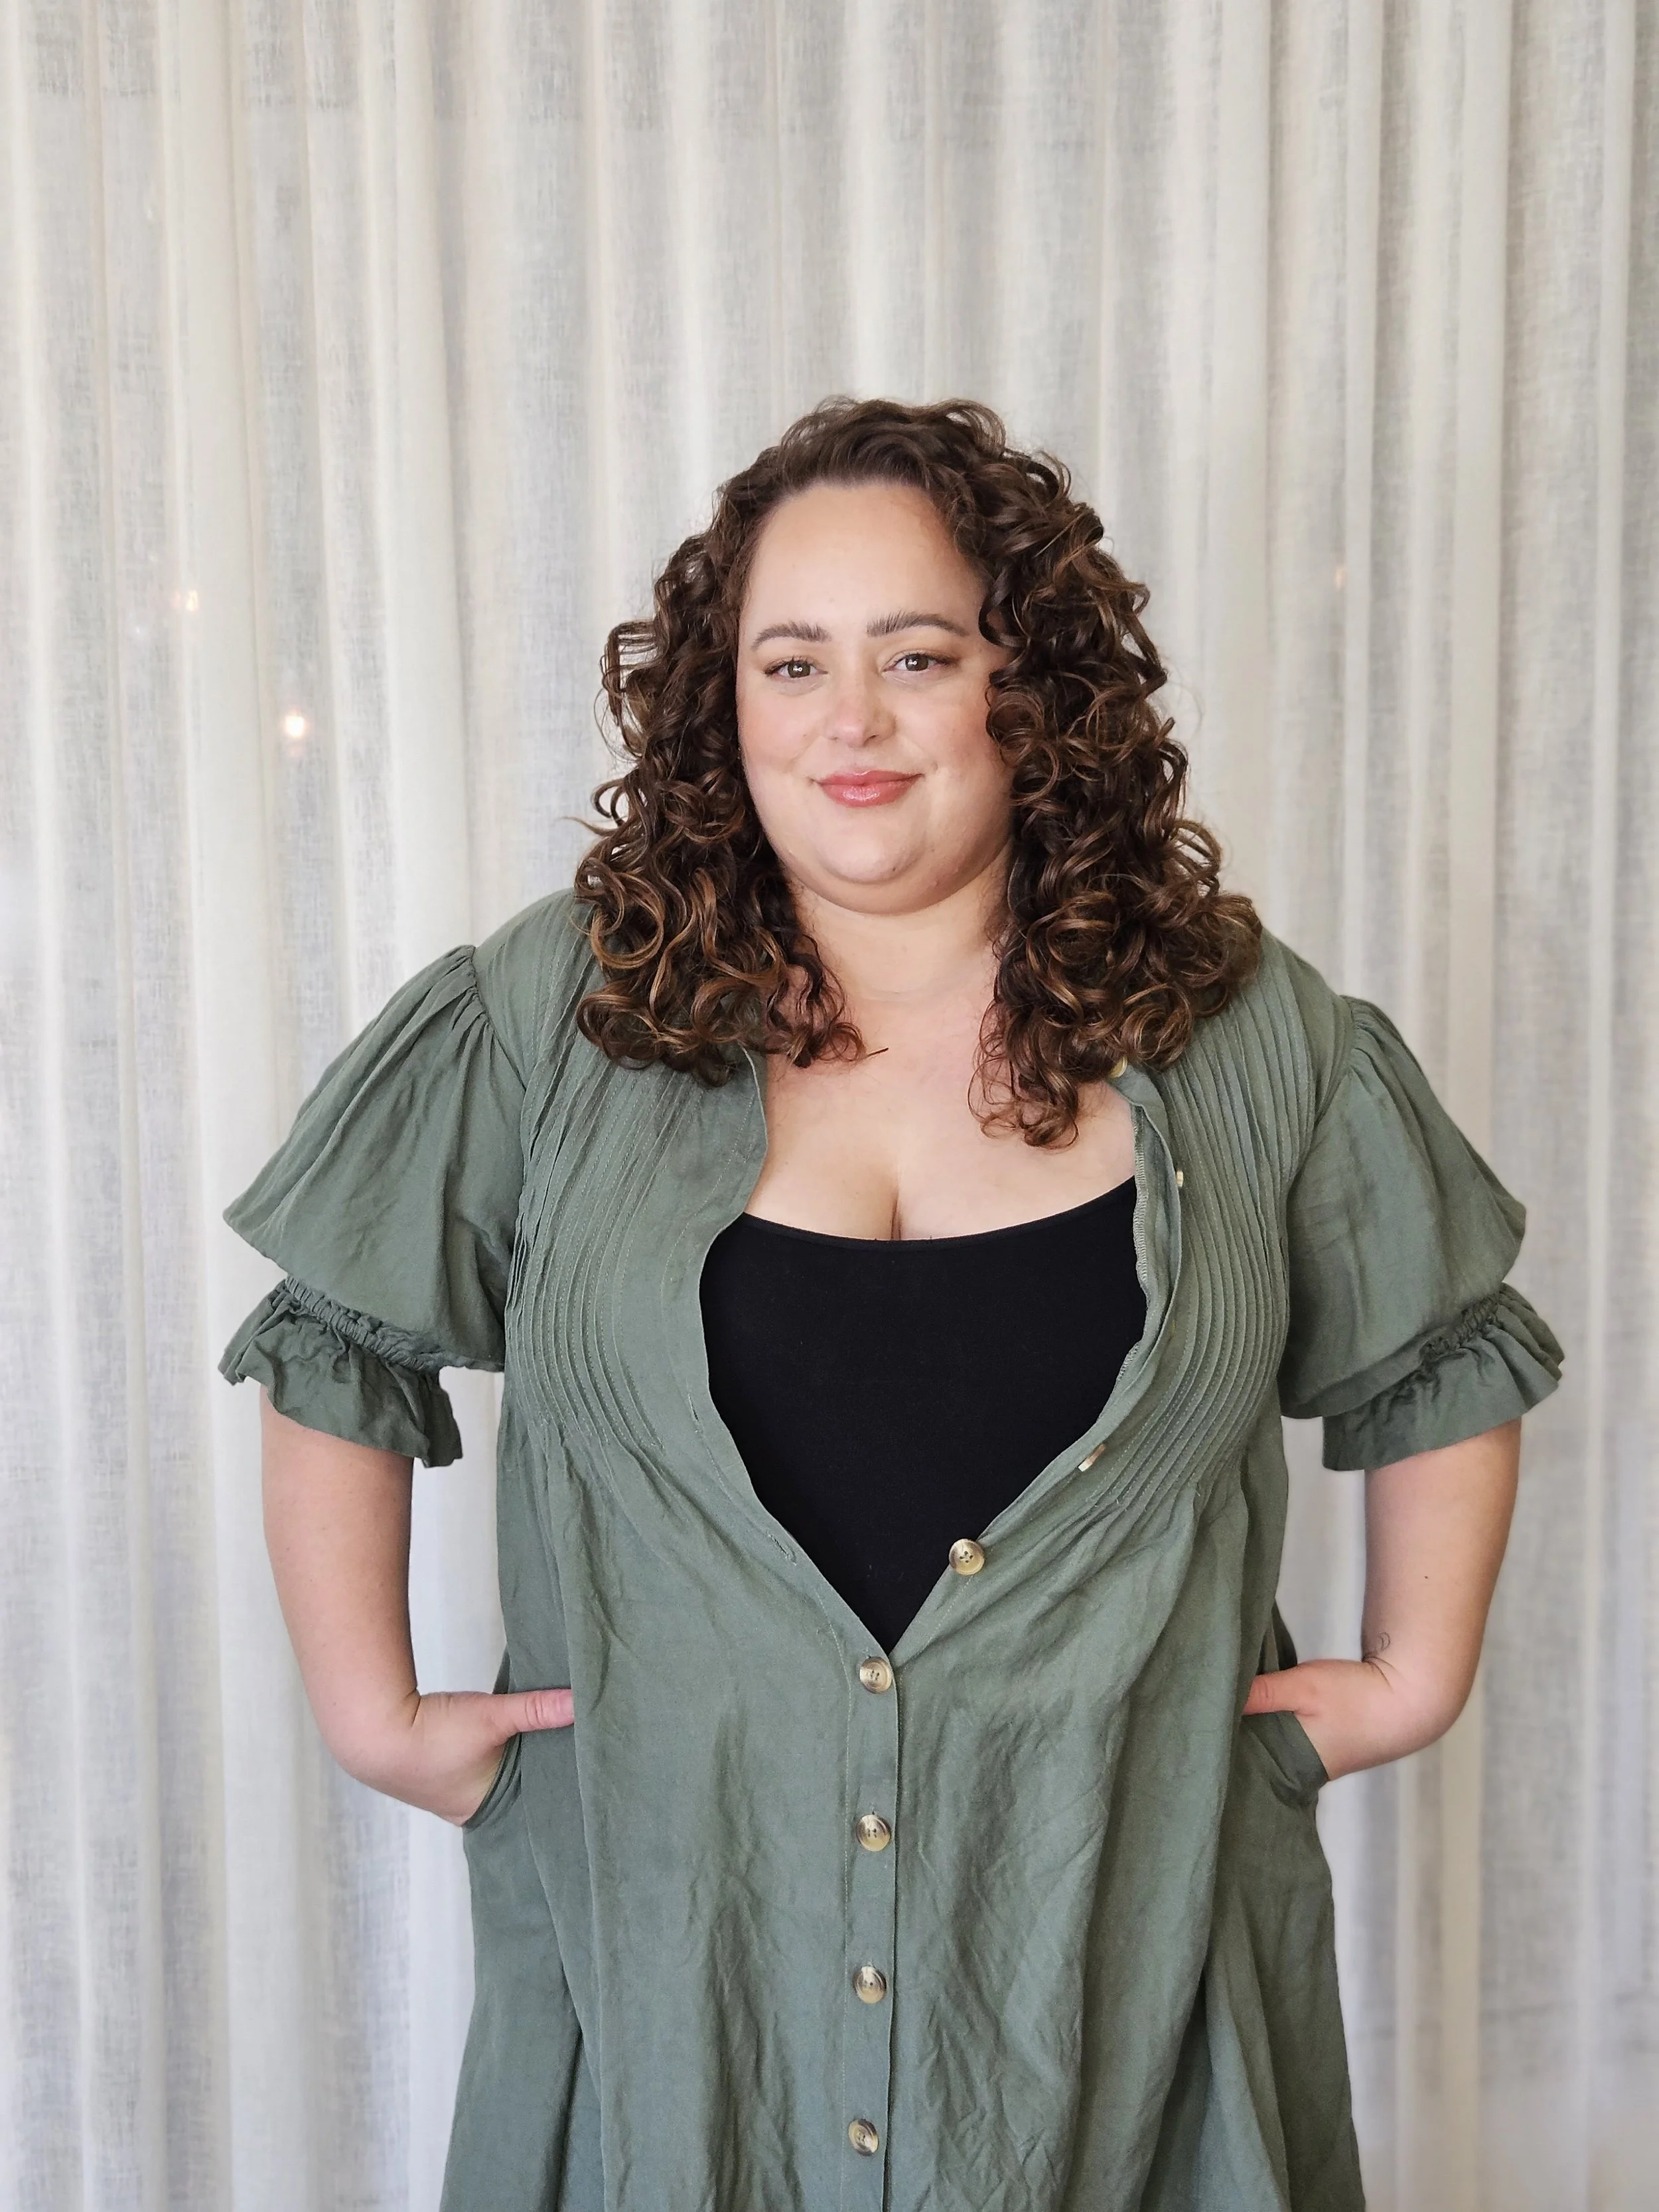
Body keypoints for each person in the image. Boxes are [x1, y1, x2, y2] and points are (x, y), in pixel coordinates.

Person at [219, 398, 1563, 2211]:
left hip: (1119, 1956)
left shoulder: (1245, 1035)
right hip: (673, 1961)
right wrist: (371, 1712)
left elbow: (1436, 1347)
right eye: (791, 663)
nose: (847, 722)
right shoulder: (549, 1018)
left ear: (1033, 693)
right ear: (724, 709)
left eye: (915, 654)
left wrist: (1405, 1679)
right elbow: (341, 1333)